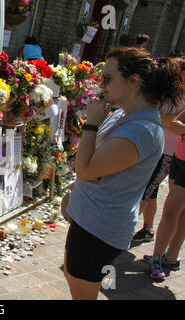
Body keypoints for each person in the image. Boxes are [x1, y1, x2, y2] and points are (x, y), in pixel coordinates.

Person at [63, 47, 183, 300]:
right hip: (89, 218)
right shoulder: (122, 114)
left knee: (82, 293)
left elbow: (86, 169)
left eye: (108, 78)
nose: (101, 84)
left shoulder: (142, 130)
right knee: (74, 280)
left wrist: (92, 123)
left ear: (133, 82)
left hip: (99, 227)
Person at [143, 56, 185, 281]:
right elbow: (176, 124)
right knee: (173, 211)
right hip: (180, 158)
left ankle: (167, 257)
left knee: (178, 212)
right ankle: (161, 256)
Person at [133, 92, 182, 242]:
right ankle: (147, 229)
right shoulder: (171, 91)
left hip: (168, 152)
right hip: (156, 147)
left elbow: (173, 124)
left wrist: (153, 115)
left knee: (144, 191)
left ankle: (122, 230)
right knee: (151, 192)